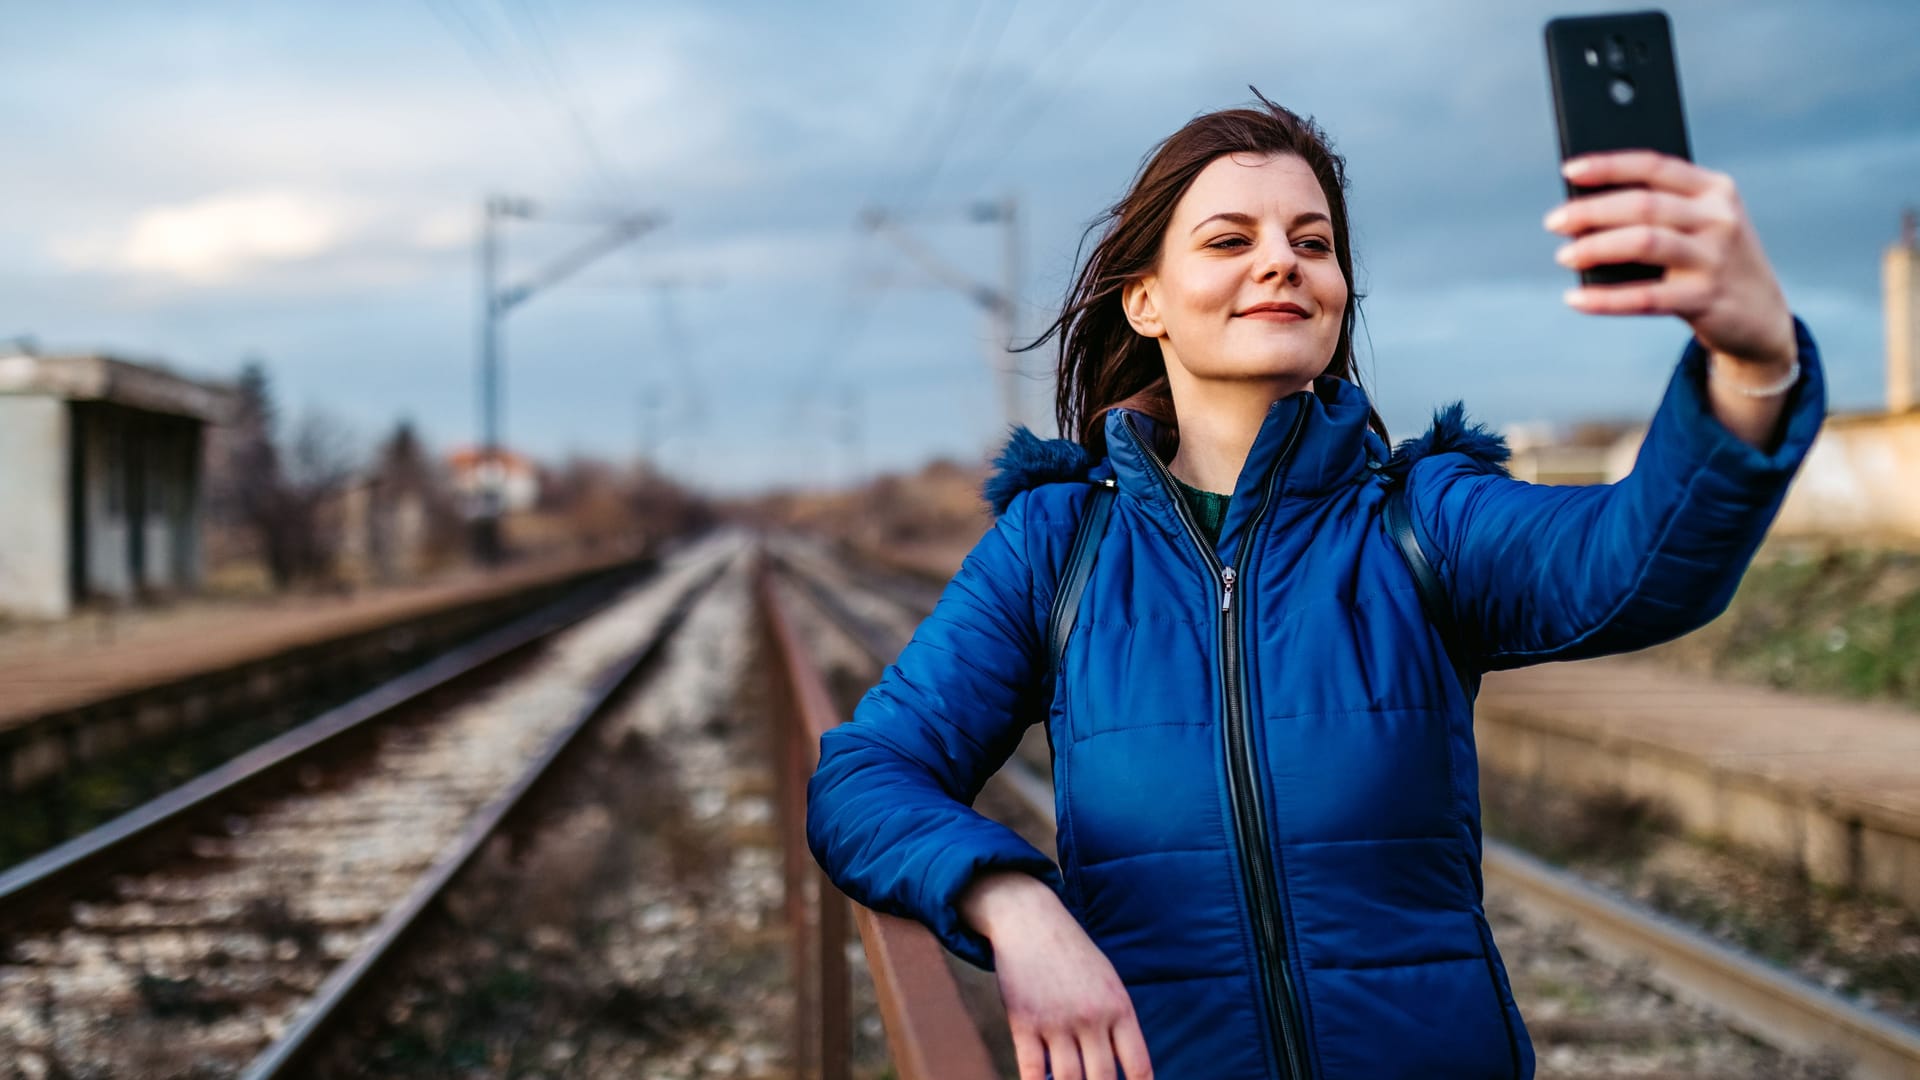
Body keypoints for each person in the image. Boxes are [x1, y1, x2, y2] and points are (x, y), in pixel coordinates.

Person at [805, 92, 1824, 1080]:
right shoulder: (1057, 547)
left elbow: (1637, 563)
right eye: (1228, 240)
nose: (1280, 262)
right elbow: (865, 775)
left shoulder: (1420, 518)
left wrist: (1751, 356)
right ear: (1145, 300)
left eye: (1313, 241)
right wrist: (1013, 902)